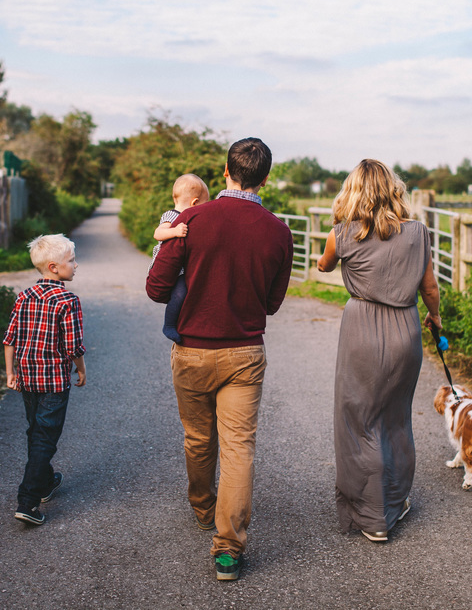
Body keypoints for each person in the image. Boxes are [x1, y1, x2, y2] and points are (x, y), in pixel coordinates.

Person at [146, 138, 294, 581]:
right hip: (245, 353)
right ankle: (228, 550)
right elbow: (272, 303)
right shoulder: (278, 231)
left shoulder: (191, 218)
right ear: (265, 178)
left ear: (225, 171)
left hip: (191, 350)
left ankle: (202, 507)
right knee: (239, 447)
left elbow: (156, 288)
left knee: (198, 437)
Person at [316, 159, 441, 542]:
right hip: (406, 329)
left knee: (359, 422)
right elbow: (431, 287)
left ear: (352, 191)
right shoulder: (418, 232)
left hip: (361, 331)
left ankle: (371, 517)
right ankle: (394, 501)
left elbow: (323, 266)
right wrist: (435, 319)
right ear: (394, 190)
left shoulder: (342, 233)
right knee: (396, 420)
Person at [4, 233, 87, 526]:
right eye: (71, 260)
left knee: (36, 430)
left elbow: (10, 338)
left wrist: (10, 372)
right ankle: (27, 501)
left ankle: (46, 480)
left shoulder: (24, 296)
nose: (76, 265)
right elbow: (73, 346)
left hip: (27, 378)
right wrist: (81, 368)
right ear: (54, 267)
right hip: (53, 381)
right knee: (45, 438)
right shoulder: (68, 300)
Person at [150, 174, 211, 343]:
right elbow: (158, 233)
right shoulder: (171, 215)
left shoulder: (187, 218)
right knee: (179, 293)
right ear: (195, 203)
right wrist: (175, 231)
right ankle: (169, 325)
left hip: (181, 267)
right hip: (166, 266)